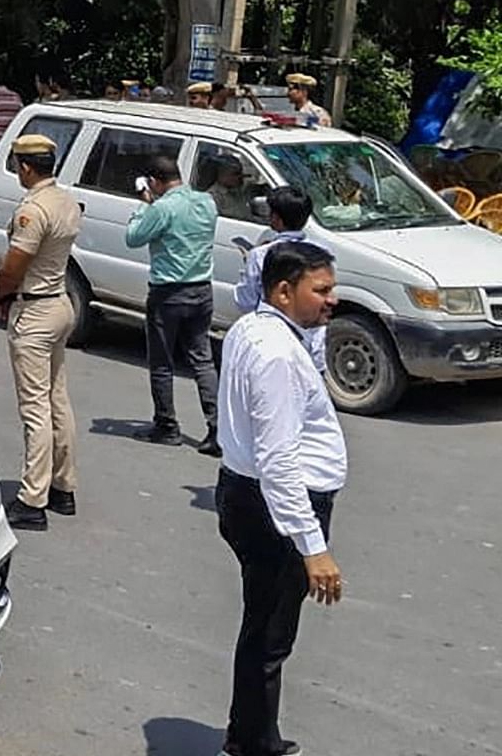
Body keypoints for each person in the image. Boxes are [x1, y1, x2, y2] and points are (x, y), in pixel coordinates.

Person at [215, 240, 347, 756]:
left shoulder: (253, 328)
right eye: (323, 290)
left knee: (264, 626)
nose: (331, 300)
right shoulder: (275, 353)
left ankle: (249, 732)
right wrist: (312, 547)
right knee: (270, 634)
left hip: (250, 495)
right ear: (285, 291)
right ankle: (252, 741)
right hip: (275, 508)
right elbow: (279, 460)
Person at [0, 135, 82, 530]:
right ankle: (63, 486)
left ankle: (33, 497)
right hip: (59, 300)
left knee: (35, 407)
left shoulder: (33, 209)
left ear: (25, 167)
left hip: (35, 307)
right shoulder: (65, 201)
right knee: (57, 398)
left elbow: (14, 265)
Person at [125, 154, 222, 453]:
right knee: (202, 360)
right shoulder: (206, 202)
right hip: (202, 289)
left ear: (154, 182)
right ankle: (218, 429)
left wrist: (144, 204)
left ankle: (167, 425)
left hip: (168, 292)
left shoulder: (162, 208)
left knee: (162, 362)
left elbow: (133, 237)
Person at [235, 186, 326, 373]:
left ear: (276, 219)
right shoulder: (320, 253)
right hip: (310, 349)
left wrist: (248, 265)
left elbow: (245, 301)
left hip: (271, 348)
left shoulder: (261, 255)